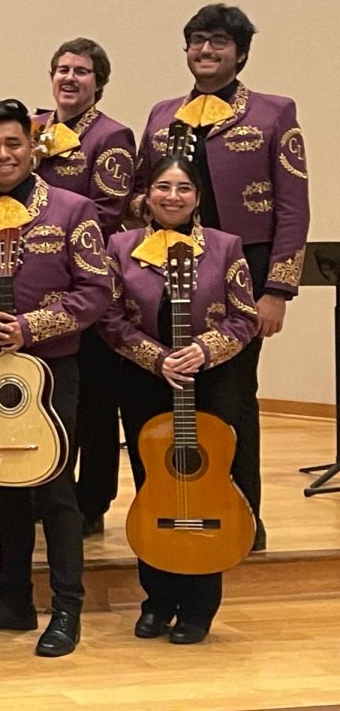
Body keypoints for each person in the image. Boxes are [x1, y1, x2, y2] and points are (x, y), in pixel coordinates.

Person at [132, 4, 309, 551]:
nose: (205, 51)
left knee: (231, 398)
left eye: (217, 42)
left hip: (242, 271)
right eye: (196, 41)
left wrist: (276, 290)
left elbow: (293, 208)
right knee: (162, 393)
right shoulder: (163, 115)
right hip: (162, 268)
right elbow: (137, 193)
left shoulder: (274, 112)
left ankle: (243, 516)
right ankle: (166, 510)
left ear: (240, 52)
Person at [0, 100, 111, 657]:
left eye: (13, 144)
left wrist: (31, 327)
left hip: (51, 369)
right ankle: (13, 598)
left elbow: (94, 293)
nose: (3, 155)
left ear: (32, 148)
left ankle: (67, 608)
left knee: (55, 490)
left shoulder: (73, 210)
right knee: (4, 482)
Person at [102, 155, 259, 644]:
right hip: (147, 381)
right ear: (147, 194)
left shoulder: (226, 246)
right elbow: (110, 319)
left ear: (198, 196)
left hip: (209, 382)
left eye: (184, 188)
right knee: (157, 486)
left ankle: (200, 604)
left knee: (205, 484)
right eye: (163, 187)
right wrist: (155, 358)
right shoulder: (121, 247)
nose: (173, 196)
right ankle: (157, 599)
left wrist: (201, 351)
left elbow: (244, 318)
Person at [32, 38, 136, 536]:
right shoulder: (35, 132)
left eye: (81, 71)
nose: (69, 78)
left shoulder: (112, 136)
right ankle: (48, 494)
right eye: (61, 70)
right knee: (50, 395)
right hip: (38, 282)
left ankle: (92, 500)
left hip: (89, 282)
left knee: (95, 397)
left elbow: (107, 212)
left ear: (99, 82)